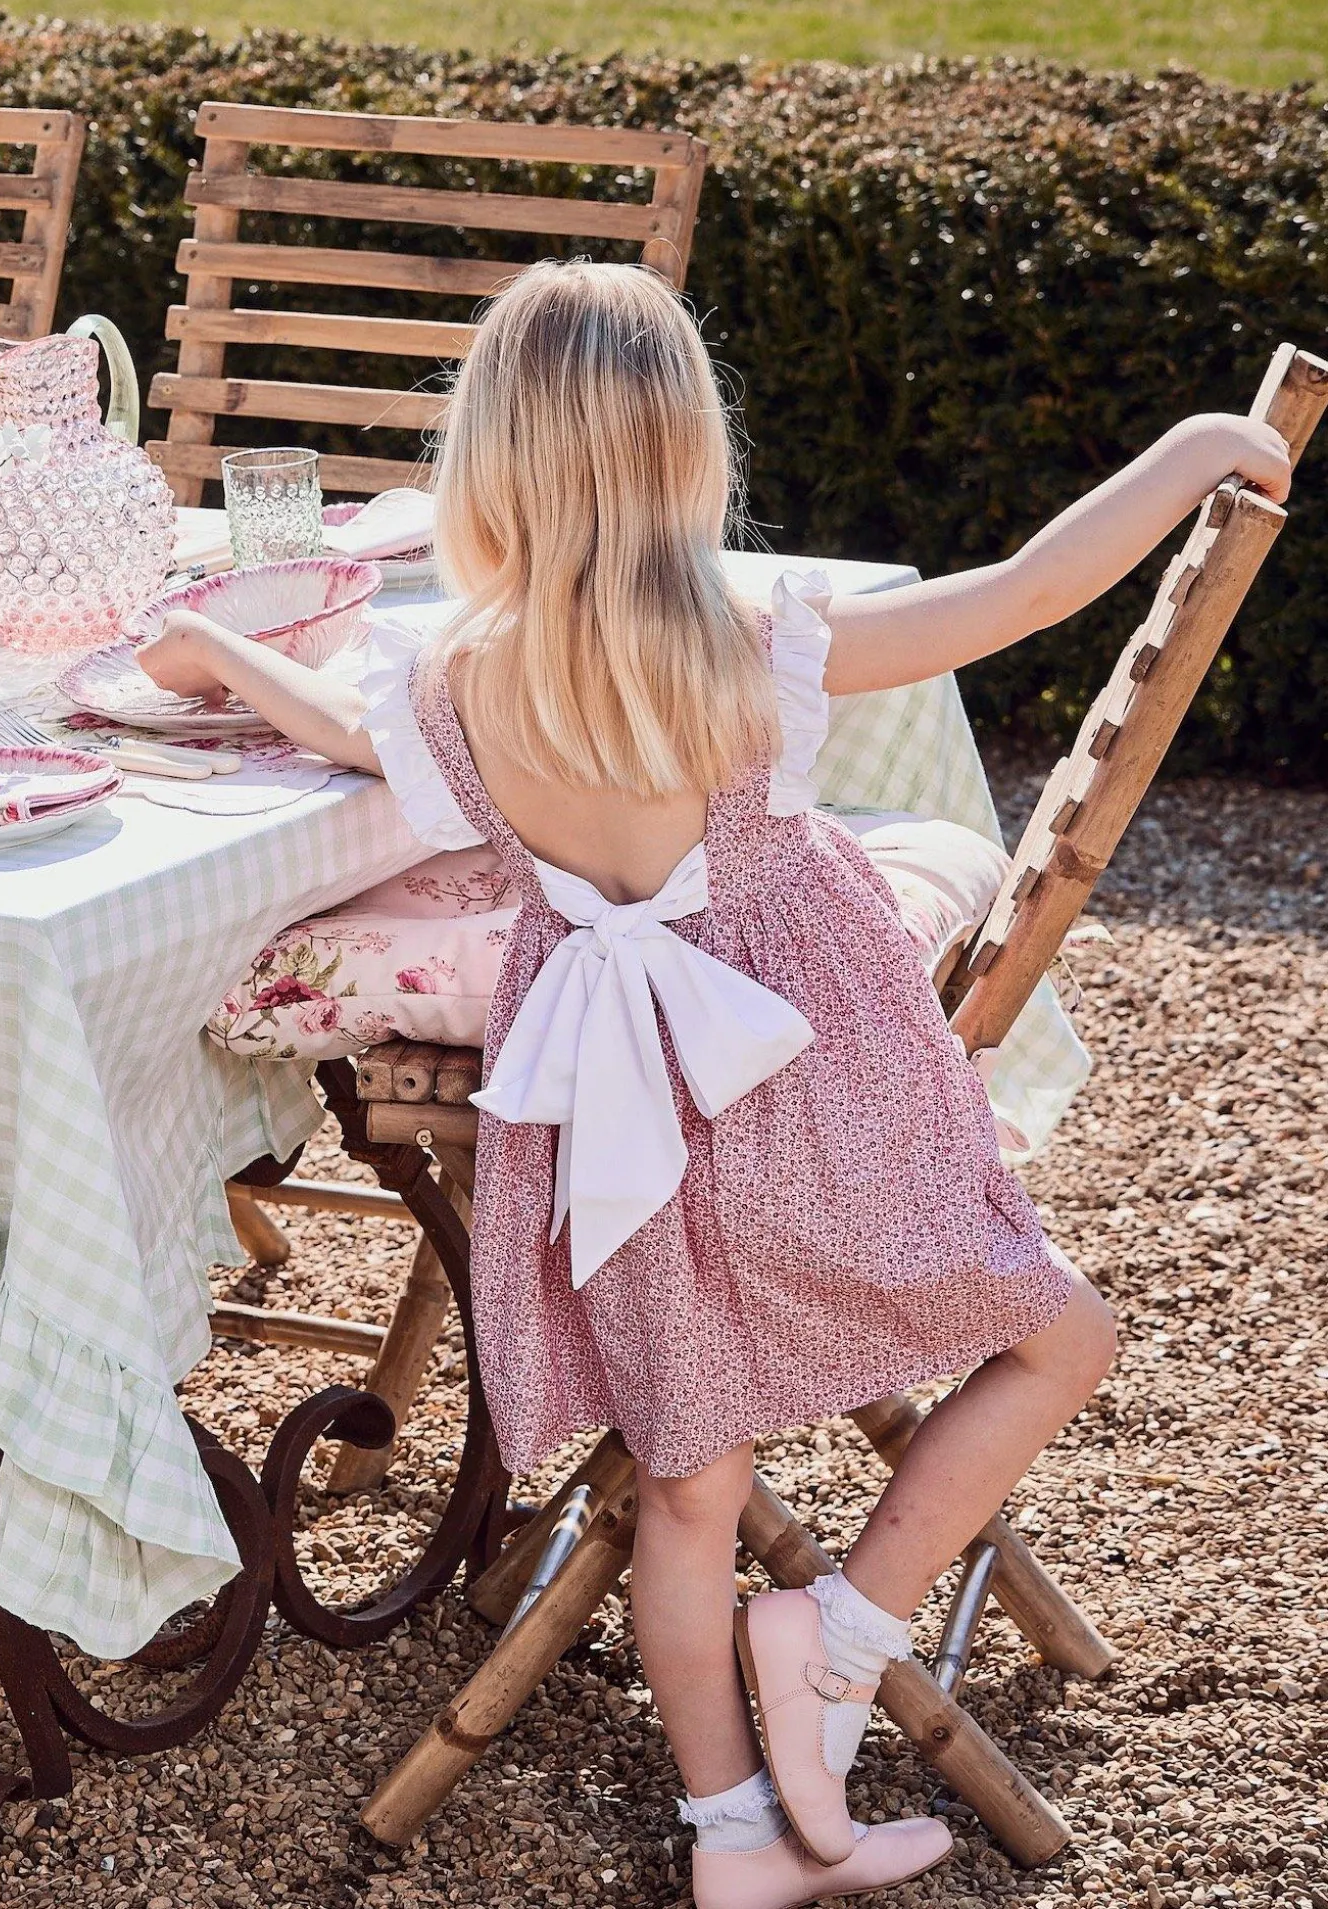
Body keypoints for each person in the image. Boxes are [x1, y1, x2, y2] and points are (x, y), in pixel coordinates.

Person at [138, 259, 1292, 1908]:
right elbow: (1029, 588)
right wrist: (1190, 450)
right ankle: (835, 1634)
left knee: (689, 1489)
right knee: (1064, 1337)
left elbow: (334, 728)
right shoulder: (757, 644)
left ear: (492, 459)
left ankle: (735, 1834)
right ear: (687, 448)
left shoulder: (457, 678)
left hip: (616, 1115)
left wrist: (210, 654)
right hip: (804, 1096)